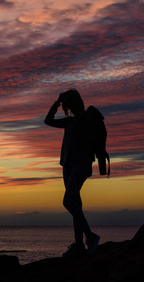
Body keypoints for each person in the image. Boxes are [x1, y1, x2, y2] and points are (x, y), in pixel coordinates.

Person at [44, 88, 100, 257]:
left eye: (70, 102)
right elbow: (48, 120)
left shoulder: (86, 118)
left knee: (68, 201)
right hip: (67, 165)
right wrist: (57, 102)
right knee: (75, 203)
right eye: (66, 103)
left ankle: (90, 236)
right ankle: (78, 244)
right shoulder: (69, 122)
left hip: (81, 165)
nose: (68, 105)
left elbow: (91, 140)